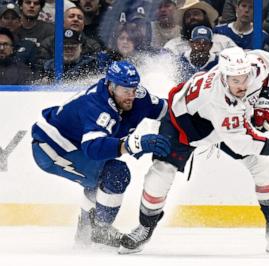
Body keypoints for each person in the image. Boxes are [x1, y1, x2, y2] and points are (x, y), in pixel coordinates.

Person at [118, 47, 269, 255]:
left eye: (244, 78)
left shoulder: (255, 67)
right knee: (160, 173)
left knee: (263, 165)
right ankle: (145, 226)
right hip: (185, 125)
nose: (242, 86)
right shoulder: (217, 99)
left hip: (226, 126)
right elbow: (242, 142)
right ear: (223, 77)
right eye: (235, 81)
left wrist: (264, 103)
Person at [31, 60, 171, 249]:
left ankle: (85, 230)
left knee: (103, 178)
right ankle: (100, 230)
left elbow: (168, 110)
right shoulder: (96, 105)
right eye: (124, 90)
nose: (130, 96)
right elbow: (93, 148)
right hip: (52, 148)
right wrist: (133, 144)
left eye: (133, 89)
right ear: (110, 86)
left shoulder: (138, 97)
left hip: (75, 144)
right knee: (115, 173)